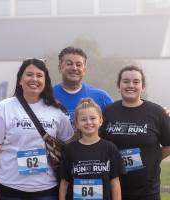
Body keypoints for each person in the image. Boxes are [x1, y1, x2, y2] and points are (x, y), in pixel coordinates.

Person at [0, 58, 74, 200]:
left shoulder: (57, 111)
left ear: (45, 82)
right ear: (20, 80)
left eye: (39, 76)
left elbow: (71, 146)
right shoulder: (5, 107)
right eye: (29, 74)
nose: (34, 79)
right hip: (9, 189)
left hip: (47, 190)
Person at [100, 65, 170, 200]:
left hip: (147, 191)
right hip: (114, 189)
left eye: (136, 82)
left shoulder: (156, 112)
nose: (130, 85)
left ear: (143, 87)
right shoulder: (108, 112)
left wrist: (154, 158)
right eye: (126, 81)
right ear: (118, 85)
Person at [59, 98, 124, 200]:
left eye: (93, 118)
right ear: (76, 124)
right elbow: (64, 184)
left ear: (101, 120)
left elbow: (115, 183)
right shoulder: (69, 150)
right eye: (83, 119)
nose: (88, 122)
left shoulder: (110, 148)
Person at [53, 46, 113, 126]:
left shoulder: (102, 97)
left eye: (78, 65)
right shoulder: (47, 96)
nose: (74, 68)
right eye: (69, 64)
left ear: (84, 70)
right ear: (60, 68)